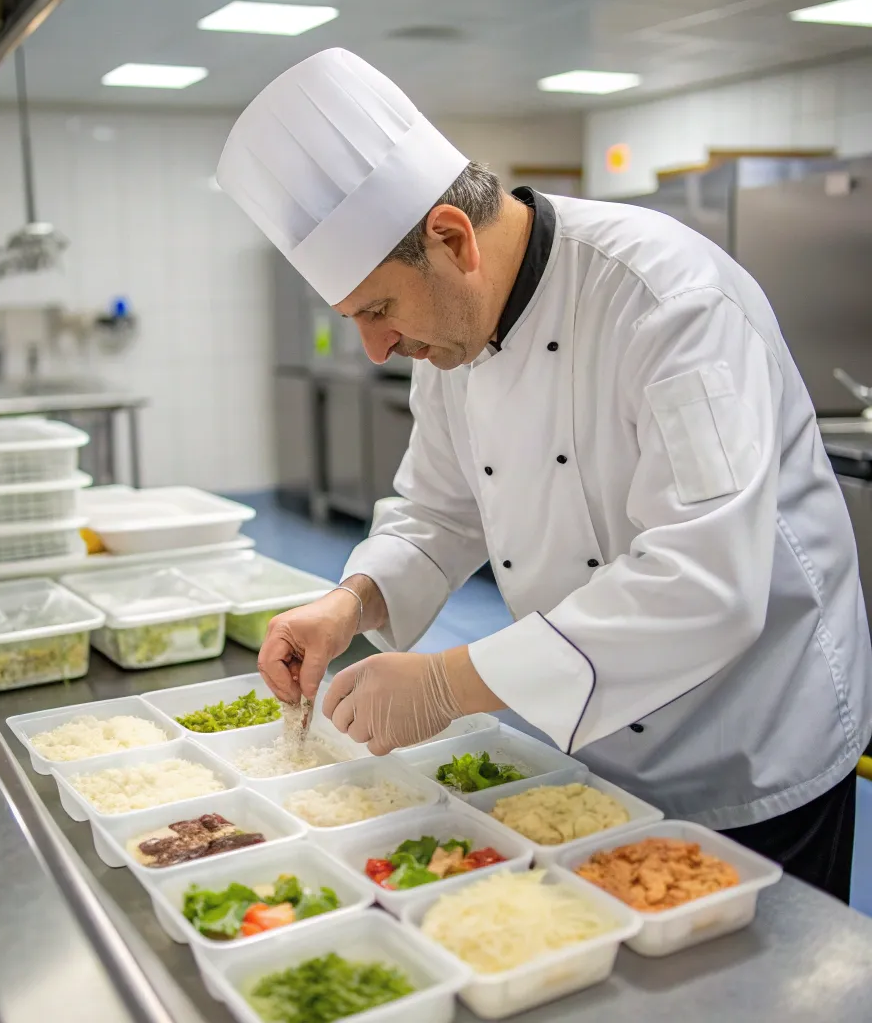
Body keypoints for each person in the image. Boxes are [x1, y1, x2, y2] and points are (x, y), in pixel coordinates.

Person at [217, 48, 872, 900]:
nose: (376, 347)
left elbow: (705, 577)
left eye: (377, 310)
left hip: (749, 737)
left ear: (452, 240)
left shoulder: (668, 301)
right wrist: (347, 604)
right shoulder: (449, 335)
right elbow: (437, 511)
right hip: (590, 738)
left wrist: (452, 684)